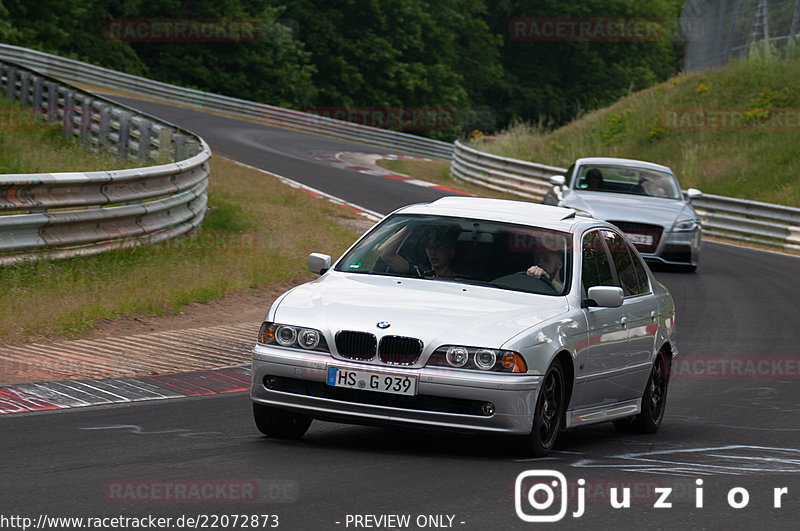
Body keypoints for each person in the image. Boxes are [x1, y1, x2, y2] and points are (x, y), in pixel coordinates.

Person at [378, 225, 459, 278]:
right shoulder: (419, 271)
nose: (432, 253)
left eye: (437, 248)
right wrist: (411, 226)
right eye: (429, 248)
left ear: (450, 252)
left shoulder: (462, 279)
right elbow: (385, 253)